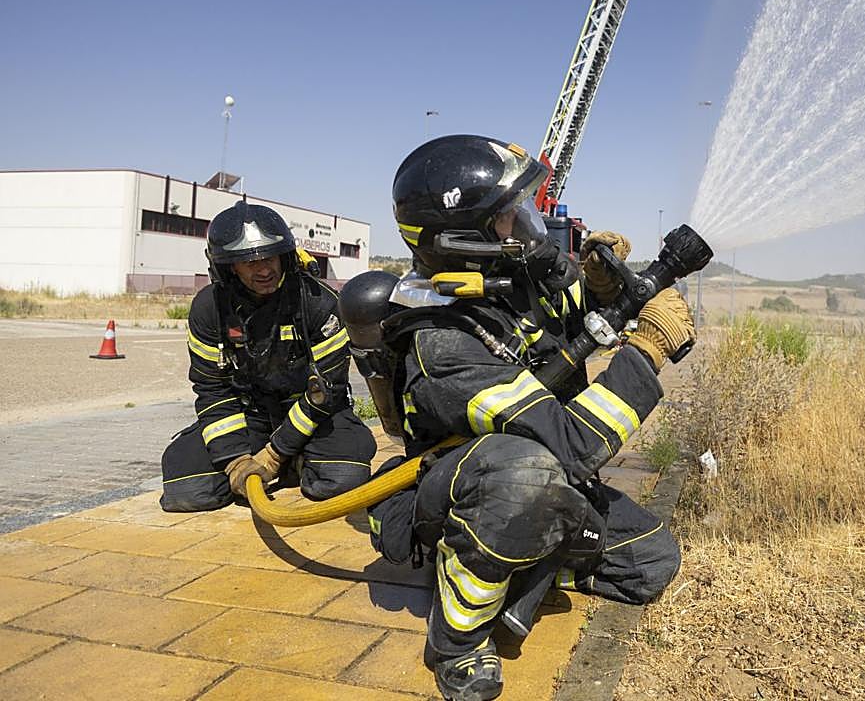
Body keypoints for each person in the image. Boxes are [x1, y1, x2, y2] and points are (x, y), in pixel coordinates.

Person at [344, 135, 694, 701]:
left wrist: (598, 285)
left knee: (650, 563)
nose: (524, 225)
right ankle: (457, 642)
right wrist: (648, 349)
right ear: (461, 240)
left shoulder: (503, 288)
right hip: (466, 484)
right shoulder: (443, 342)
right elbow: (575, 443)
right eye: (507, 216)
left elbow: (566, 325)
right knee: (524, 471)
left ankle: (525, 561)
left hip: (537, 471)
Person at [159, 201, 377, 512]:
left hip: (313, 415)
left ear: (284, 256)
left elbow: (324, 391)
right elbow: (212, 391)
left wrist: (275, 455)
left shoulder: (318, 302)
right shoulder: (209, 310)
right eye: (249, 262)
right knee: (187, 489)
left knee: (343, 476)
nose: (263, 269)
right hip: (249, 416)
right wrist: (235, 460)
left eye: (269, 257)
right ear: (227, 267)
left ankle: (295, 461)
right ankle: (280, 463)